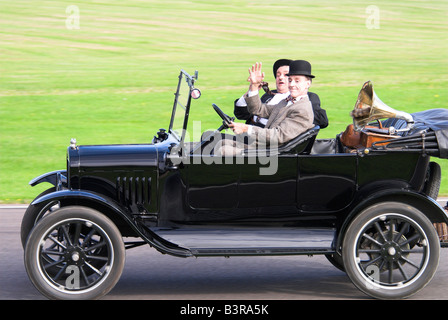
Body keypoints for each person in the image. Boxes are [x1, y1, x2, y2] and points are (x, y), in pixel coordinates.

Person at [216, 60, 315, 156]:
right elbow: (258, 110)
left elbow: (277, 136)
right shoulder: (287, 101)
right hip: (264, 146)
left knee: (223, 150)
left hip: (274, 153)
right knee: (220, 143)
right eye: (290, 80)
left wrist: (245, 128)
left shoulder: (302, 109)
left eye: (297, 81)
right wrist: (254, 86)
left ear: (308, 83)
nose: (292, 84)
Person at [234, 59, 328, 129]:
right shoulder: (268, 95)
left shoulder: (307, 98)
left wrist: (288, 113)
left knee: (221, 143)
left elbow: (322, 120)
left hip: (264, 139)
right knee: (220, 137)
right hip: (245, 134)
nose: (281, 78)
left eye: (286, 75)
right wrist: (252, 88)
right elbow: (241, 114)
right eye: (278, 75)